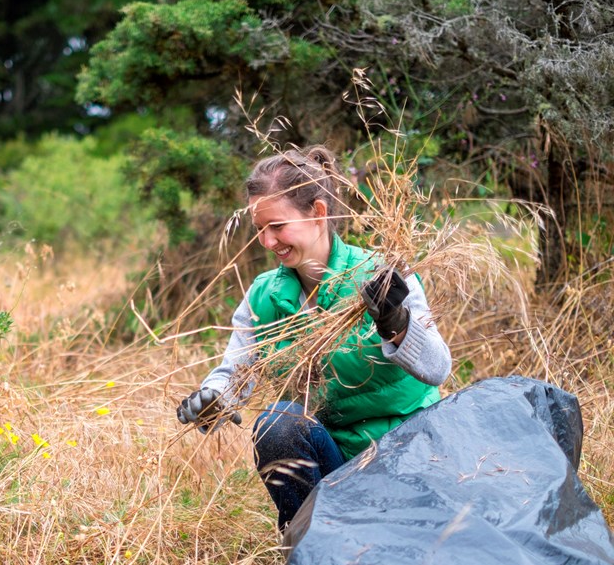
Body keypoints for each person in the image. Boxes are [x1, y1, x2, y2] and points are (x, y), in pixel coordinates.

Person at [177, 146, 451, 531]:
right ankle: (311, 545)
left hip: (408, 462)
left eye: (277, 226)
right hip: (337, 467)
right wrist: (213, 399)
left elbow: (439, 368)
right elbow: (235, 372)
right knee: (277, 424)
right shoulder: (263, 296)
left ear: (318, 213)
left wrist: (397, 323)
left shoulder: (380, 275)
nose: (268, 242)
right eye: (259, 229)